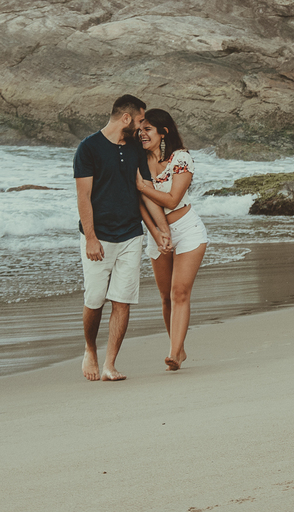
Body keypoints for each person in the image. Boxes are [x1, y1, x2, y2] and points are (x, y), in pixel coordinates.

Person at [73, 94, 169, 381]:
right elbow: (83, 196)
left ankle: (110, 364)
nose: (141, 128)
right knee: (95, 298)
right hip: (99, 236)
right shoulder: (88, 148)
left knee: (122, 300)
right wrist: (91, 238)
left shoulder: (135, 149)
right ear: (126, 118)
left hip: (130, 234)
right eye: (139, 121)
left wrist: (159, 230)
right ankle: (90, 349)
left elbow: (145, 190)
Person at [136, 109, 208, 371]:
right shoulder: (139, 161)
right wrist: (157, 233)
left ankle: (173, 353)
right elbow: (140, 205)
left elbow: (173, 199)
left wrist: (142, 186)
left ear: (163, 133)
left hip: (187, 230)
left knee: (179, 292)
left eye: (148, 129)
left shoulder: (181, 158)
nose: (142, 134)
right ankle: (179, 348)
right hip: (157, 233)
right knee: (166, 296)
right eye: (140, 130)